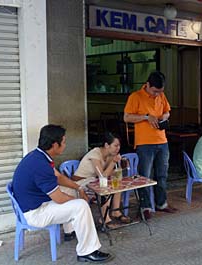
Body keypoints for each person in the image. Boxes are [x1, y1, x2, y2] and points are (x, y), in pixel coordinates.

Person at [12, 125, 112, 263]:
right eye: (64, 142)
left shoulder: (38, 156)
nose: (65, 145)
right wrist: (80, 201)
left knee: (73, 195)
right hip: (35, 213)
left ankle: (71, 231)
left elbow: (58, 177)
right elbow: (59, 198)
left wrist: (79, 188)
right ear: (54, 145)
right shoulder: (40, 165)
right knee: (80, 206)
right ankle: (87, 251)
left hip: (34, 204)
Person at [123, 71, 177, 219]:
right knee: (144, 176)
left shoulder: (161, 95)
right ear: (147, 85)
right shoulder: (135, 97)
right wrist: (146, 117)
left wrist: (164, 117)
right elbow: (126, 117)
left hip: (162, 141)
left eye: (160, 92)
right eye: (154, 91)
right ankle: (145, 206)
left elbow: (167, 111)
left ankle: (162, 203)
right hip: (144, 143)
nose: (156, 94)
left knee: (162, 175)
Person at [64, 132, 131, 228]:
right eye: (115, 145)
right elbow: (102, 176)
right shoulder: (95, 154)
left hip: (93, 181)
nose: (118, 148)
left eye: (119, 146)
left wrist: (121, 167)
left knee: (116, 182)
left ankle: (116, 211)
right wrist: (113, 162)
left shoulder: (110, 156)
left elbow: (109, 174)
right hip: (80, 183)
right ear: (107, 145)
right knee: (106, 186)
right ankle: (104, 218)